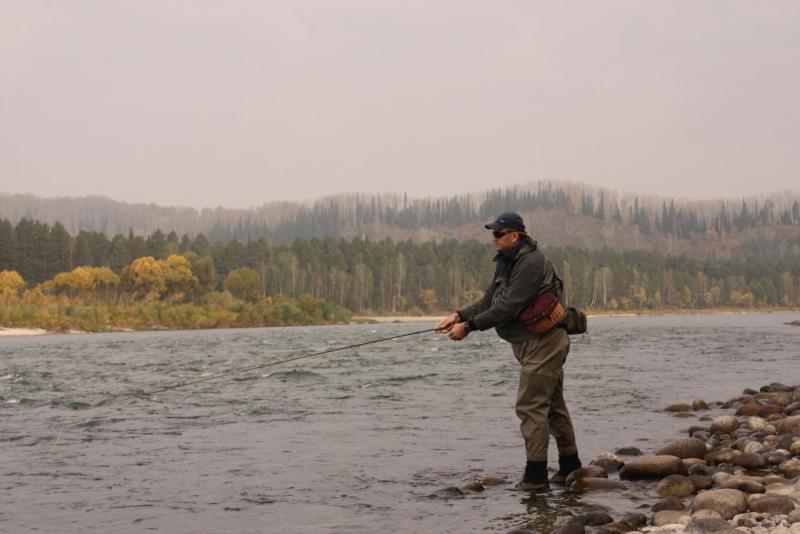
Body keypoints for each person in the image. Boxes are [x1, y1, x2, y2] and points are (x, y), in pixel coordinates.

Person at [436, 211, 581, 492]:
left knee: (530, 406)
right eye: (493, 234)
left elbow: (509, 306)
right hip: (530, 343)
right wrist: (457, 315)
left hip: (545, 343)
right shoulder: (506, 263)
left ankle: (535, 478)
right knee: (551, 405)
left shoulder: (531, 262)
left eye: (498, 234)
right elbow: (490, 300)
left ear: (515, 235)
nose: (494, 239)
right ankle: (570, 467)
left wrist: (469, 327)